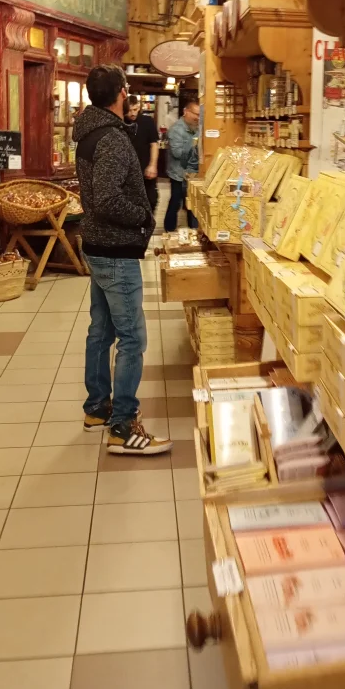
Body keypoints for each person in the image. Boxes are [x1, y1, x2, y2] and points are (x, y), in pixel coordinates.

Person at [74, 64, 172, 456]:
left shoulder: (86, 131)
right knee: (132, 338)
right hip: (115, 250)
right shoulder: (112, 138)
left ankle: (98, 407)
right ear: (120, 92)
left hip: (96, 244)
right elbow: (107, 198)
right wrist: (144, 216)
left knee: (101, 329)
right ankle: (123, 427)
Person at [164, 99, 200, 232]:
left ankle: (194, 232)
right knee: (175, 203)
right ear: (185, 112)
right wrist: (195, 146)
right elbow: (177, 153)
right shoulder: (176, 130)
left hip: (193, 175)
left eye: (200, 115)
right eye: (195, 114)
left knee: (192, 205)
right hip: (178, 175)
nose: (198, 118)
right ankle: (169, 230)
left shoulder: (196, 128)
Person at [124, 94, 159, 213]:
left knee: (151, 200)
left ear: (139, 107)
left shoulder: (147, 121)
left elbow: (154, 144)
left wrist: (153, 165)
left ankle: (148, 227)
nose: (132, 113)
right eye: (129, 111)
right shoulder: (121, 123)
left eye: (134, 109)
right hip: (127, 170)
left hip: (145, 167)